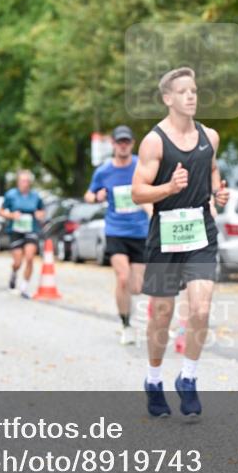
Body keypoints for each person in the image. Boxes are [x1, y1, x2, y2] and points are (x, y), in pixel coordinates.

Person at [132, 67, 229, 418]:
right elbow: (137, 191)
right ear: (167, 98)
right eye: (184, 91)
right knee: (162, 311)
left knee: (201, 308)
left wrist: (219, 193)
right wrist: (168, 188)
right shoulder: (154, 141)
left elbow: (213, 169)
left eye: (195, 90)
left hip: (200, 229)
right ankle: (153, 379)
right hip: (166, 231)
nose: (191, 96)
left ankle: (188, 378)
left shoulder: (210, 136)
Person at [84, 125, 151, 345]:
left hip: (140, 232)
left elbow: (153, 189)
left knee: (137, 287)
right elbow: (88, 195)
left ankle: (136, 315)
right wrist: (97, 197)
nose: (123, 145)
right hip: (116, 231)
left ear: (132, 144)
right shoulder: (104, 171)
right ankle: (126, 324)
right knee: (122, 278)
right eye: (119, 142)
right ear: (112, 144)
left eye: (127, 142)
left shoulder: (140, 166)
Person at [0, 170, 46, 299]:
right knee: (18, 261)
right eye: (22, 181)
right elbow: (1, 211)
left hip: (32, 229)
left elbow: (42, 211)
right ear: (18, 182)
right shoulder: (11, 195)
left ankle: (24, 287)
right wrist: (11, 215)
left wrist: (39, 215)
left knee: (30, 257)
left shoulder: (36, 196)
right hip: (16, 230)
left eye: (26, 181)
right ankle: (14, 273)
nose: (24, 183)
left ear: (29, 182)